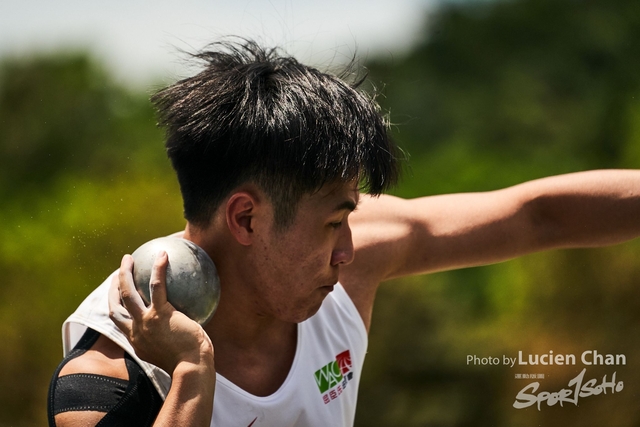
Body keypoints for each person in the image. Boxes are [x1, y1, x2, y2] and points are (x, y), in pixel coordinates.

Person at [47, 39, 640, 427]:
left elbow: (538, 216)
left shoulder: (350, 256)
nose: (351, 249)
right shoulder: (106, 383)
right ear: (246, 218)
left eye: (351, 215)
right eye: (334, 222)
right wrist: (194, 374)